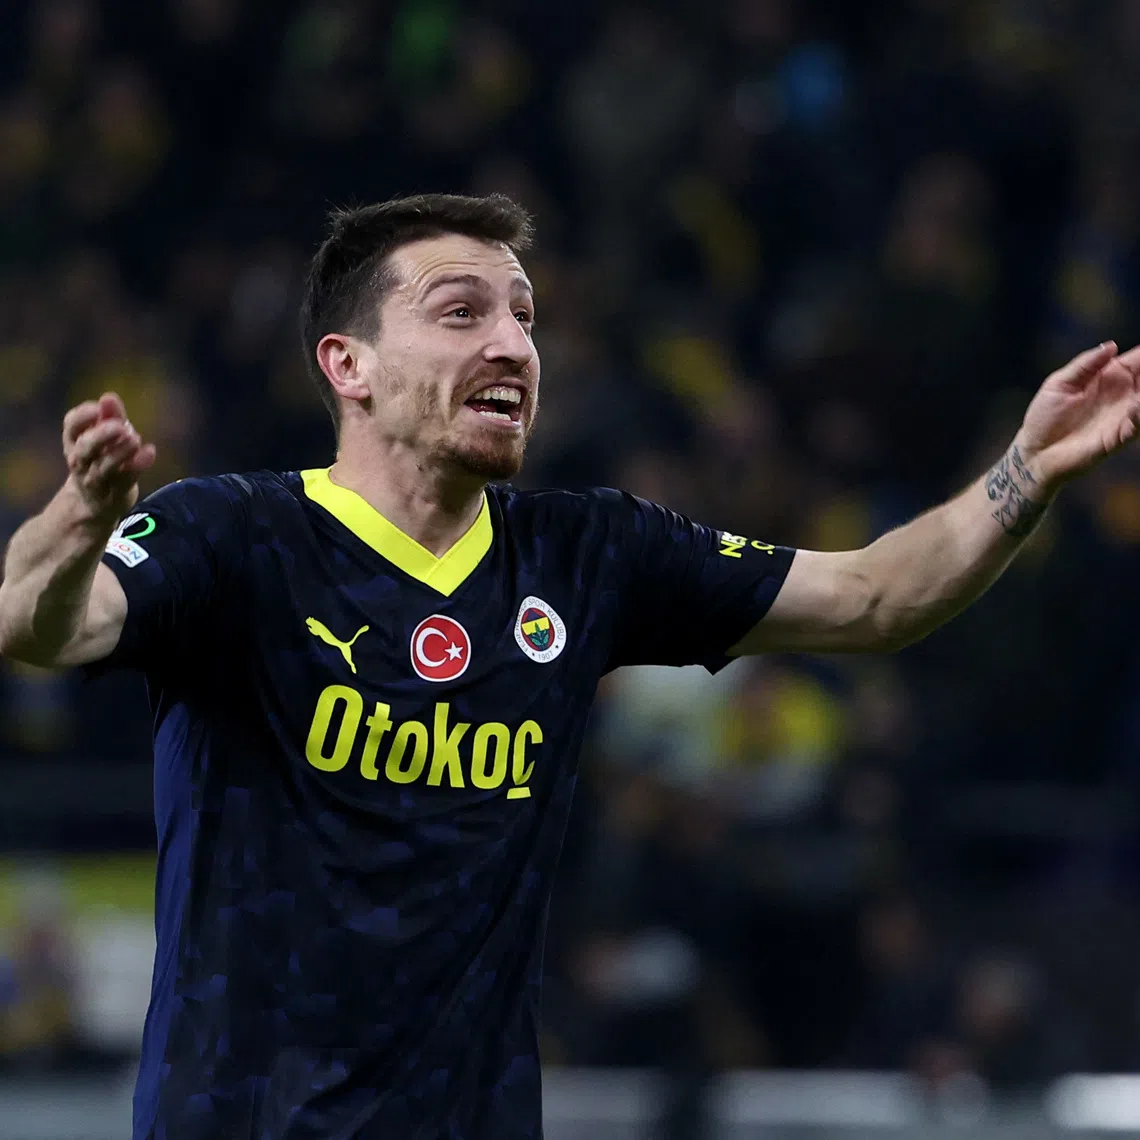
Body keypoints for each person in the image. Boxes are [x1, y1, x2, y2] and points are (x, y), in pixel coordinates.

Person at [0, 193, 1137, 1140]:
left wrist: (1024, 474)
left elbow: (879, 596)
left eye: (525, 318)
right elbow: (44, 626)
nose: (512, 344)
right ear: (346, 363)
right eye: (462, 312)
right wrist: (78, 522)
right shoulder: (235, 536)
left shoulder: (588, 552)